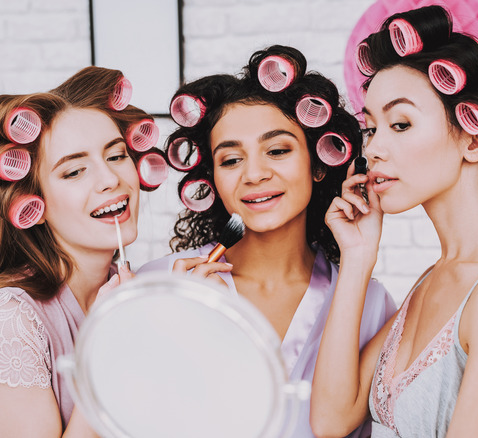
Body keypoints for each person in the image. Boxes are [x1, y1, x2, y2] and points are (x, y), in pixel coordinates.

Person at [310, 6, 478, 438]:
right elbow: (331, 419)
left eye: (400, 123)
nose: (374, 148)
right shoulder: (437, 279)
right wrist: (357, 260)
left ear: (475, 137)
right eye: (370, 127)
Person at [139, 45, 396, 437]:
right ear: (212, 179)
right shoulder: (161, 284)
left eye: (277, 150)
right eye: (230, 160)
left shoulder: (371, 304)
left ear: (318, 164)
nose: (254, 174)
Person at [0, 66, 166, 437]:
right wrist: (110, 338)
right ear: (34, 203)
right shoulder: (7, 319)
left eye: (116, 156)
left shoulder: (121, 291)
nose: (111, 180)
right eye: (74, 172)